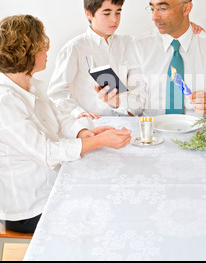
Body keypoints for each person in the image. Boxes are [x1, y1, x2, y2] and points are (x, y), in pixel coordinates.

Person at [0, 15, 132, 233]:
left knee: (109, 189)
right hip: (29, 207)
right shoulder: (5, 102)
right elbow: (46, 152)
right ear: (26, 51)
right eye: (42, 45)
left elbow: (58, 119)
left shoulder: (31, 85)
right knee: (104, 211)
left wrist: (83, 133)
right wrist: (98, 142)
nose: (47, 51)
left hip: (51, 185)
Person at [48, 0, 147, 119]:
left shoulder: (129, 43)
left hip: (127, 123)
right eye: (107, 13)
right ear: (88, 14)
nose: (114, 19)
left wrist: (120, 103)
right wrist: (78, 113)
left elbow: (139, 92)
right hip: (91, 125)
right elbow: (57, 94)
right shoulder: (74, 48)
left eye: (118, 12)